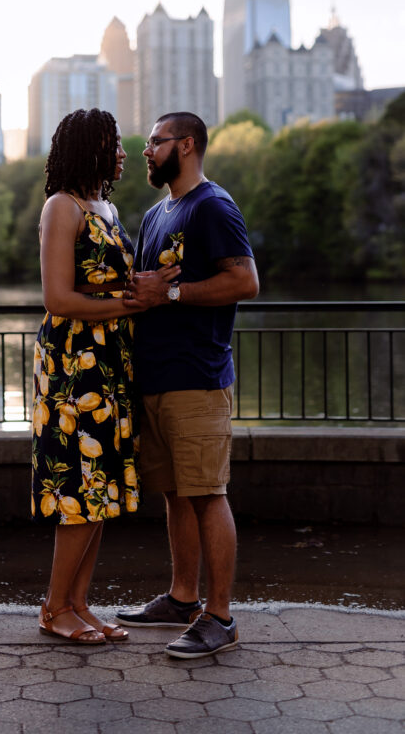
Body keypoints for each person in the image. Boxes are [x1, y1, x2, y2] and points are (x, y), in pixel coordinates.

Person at [115, 111, 259, 659]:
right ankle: (181, 599)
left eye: (156, 141)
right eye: (148, 143)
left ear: (188, 144)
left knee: (206, 493)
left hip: (197, 378)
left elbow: (245, 280)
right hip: (156, 378)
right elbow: (148, 288)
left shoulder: (212, 206)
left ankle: (220, 617)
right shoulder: (157, 214)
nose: (147, 150)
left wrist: (171, 295)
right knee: (177, 494)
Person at [32, 108, 177, 644]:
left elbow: (114, 285)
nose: (122, 151)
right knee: (78, 489)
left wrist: (153, 284)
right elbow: (58, 298)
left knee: (100, 491)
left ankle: (78, 603)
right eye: (112, 143)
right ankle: (53, 609)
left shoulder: (108, 209)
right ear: (88, 148)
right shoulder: (61, 207)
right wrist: (134, 303)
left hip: (111, 362)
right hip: (73, 367)